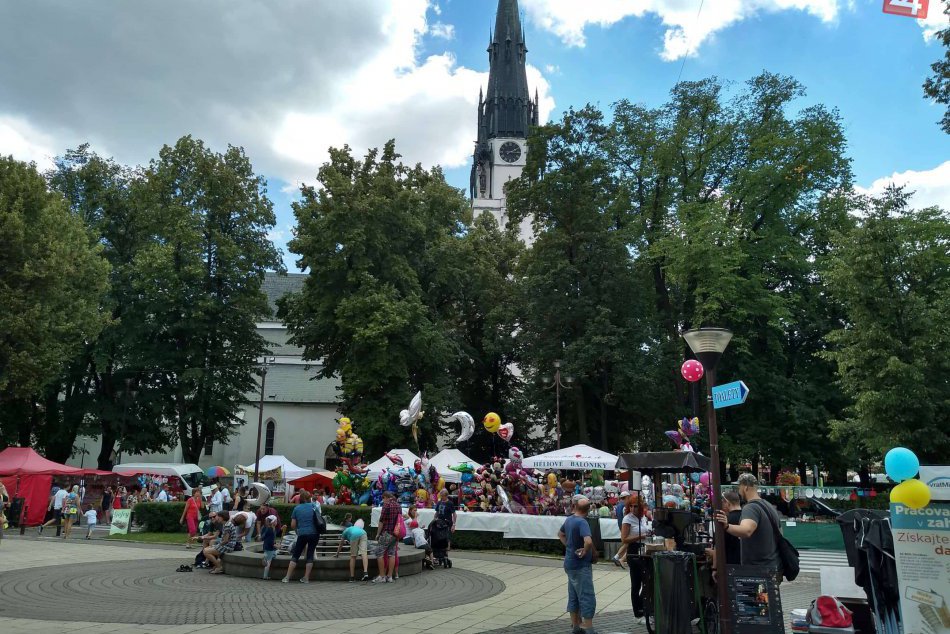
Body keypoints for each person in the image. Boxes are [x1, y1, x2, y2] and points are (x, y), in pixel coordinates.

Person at [715, 474, 783, 583]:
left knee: (755, 594)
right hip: (773, 566)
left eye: (739, 487)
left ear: (745, 487)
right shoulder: (769, 506)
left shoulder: (750, 508)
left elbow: (747, 530)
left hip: (758, 570)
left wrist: (727, 526)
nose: (738, 490)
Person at [558, 496, 597, 634]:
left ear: (575, 506)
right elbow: (588, 541)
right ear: (588, 509)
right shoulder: (582, 522)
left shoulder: (569, 519)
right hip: (581, 565)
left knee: (573, 595)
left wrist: (569, 546)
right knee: (586, 595)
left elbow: (560, 534)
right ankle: (589, 628)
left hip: (569, 563)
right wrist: (585, 551)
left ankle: (576, 626)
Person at [621, 496, 652, 624]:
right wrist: (641, 536)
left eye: (635, 506)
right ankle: (638, 613)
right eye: (631, 506)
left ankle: (643, 609)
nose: (633, 508)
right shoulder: (628, 519)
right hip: (633, 552)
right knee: (636, 584)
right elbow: (624, 539)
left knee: (648, 582)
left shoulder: (642, 518)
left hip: (644, 552)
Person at [282, 490, 322, 584]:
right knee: (310, 555)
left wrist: (298, 531)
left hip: (302, 534)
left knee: (296, 555)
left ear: (300, 498)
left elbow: (293, 525)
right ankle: (306, 578)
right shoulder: (314, 506)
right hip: (314, 534)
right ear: (309, 498)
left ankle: (287, 577)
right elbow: (319, 519)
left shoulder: (297, 508)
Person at [372, 491, 400, 584]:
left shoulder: (386, 505)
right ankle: (390, 576)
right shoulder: (398, 505)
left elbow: (381, 521)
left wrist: (377, 534)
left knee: (379, 553)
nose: (383, 500)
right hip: (395, 533)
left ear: (386, 497)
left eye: (383, 498)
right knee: (392, 554)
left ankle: (382, 576)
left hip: (386, 533)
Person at [722, 490, 743, 566]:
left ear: (727, 503)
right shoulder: (748, 517)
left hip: (730, 562)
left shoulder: (725, 521)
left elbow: (720, 545)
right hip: (747, 561)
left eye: (723, 503)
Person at [612, 491, 631, 567]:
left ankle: (619, 558)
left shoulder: (617, 506)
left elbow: (615, 516)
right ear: (626, 497)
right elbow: (626, 517)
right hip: (625, 526)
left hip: (620, 526)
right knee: (629, 542)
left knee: (627, 543)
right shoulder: (625, 506)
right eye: (628, 497)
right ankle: (618, 557)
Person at [261, 515, 278, 580]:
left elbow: (264, 537)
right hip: (269, 548)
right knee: (268, 563)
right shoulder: (271, 530)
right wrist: (275, 545)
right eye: (276, 521)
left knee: (274, 554)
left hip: (266, 546)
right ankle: (265, 576)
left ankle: (265, 556)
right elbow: (270, 541)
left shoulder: (268, 528)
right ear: (273, 522)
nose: (277, 522)